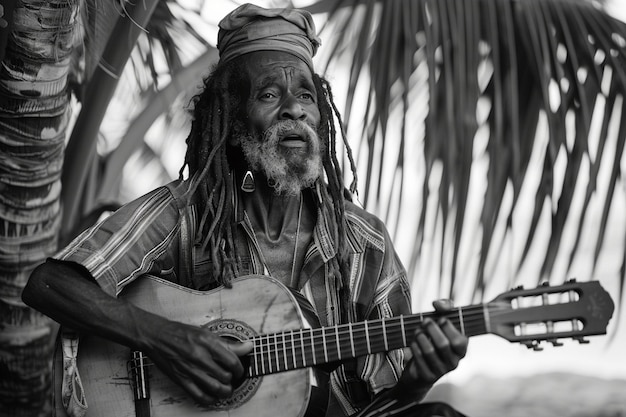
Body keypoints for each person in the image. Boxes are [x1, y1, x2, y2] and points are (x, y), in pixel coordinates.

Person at [22, 4, 468, 417]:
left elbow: (381, 404)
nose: (294, 108)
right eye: (270, 94)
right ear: (233, 120)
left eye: (306, 96)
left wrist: (417, 380)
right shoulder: (187, 212)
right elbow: (49, 284)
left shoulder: (362, 241)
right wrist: (163, 339)